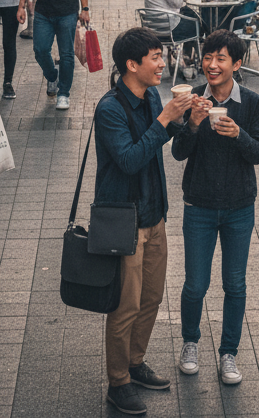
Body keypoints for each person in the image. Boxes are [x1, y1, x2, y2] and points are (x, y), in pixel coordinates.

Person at [94, 29, 192, 415]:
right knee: (125, 306)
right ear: (131, 65)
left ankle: (135, 363)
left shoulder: (150, 94)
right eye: (155, 57)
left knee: (150, 298)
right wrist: (166, 118)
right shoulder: (110, 109)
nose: (162, 63)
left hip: (155, 214)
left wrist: (187, 120)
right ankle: (118, 382)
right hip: (125, 221)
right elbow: (131, 159)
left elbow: (162, 139)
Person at [171, 30, 259, 385]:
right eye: (208, 58)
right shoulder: (192, 98)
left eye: (221, 59)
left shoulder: (252, 103)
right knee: (196, 284)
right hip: (198, 204)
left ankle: (229, 352)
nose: (211, 65)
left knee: (235, 284)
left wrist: (237, 134)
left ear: (237, 64)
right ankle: (190, 343)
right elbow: (178, 152)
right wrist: (193, 124)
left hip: (239, 206)